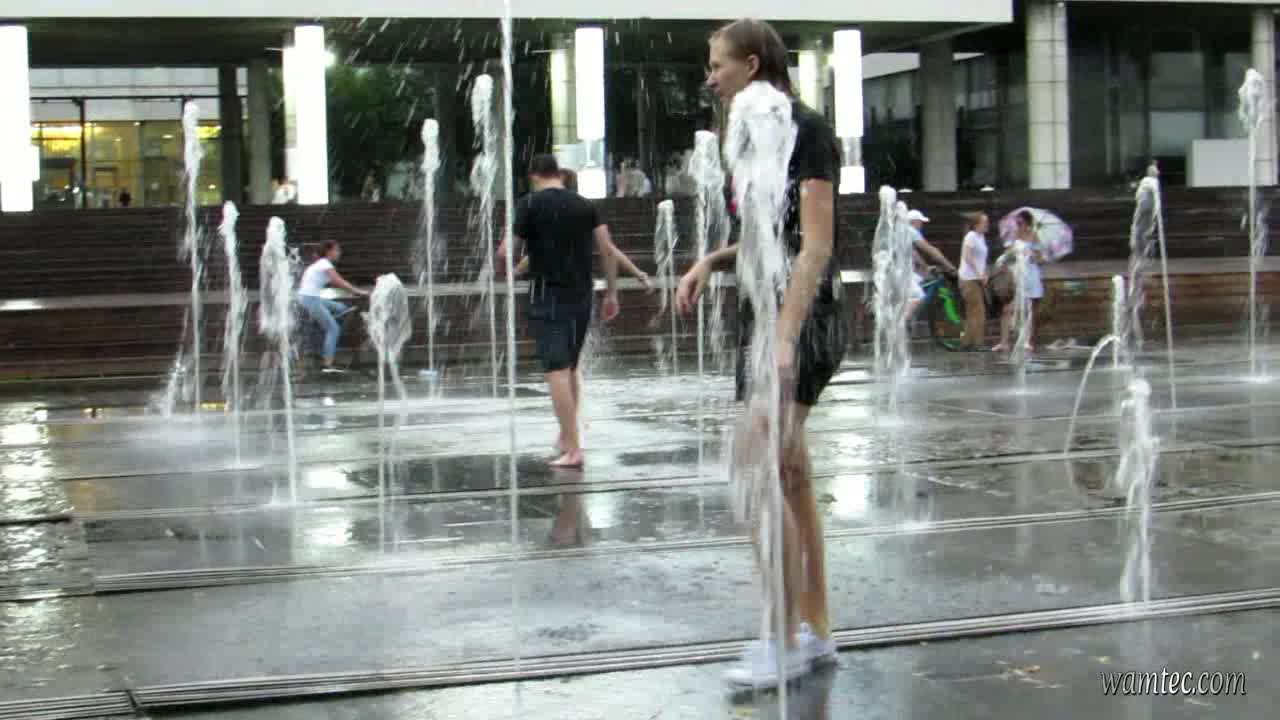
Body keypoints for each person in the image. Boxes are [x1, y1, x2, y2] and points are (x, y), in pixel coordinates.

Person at [675, 18, 846, 687]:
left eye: (717, 65)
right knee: (790, 474)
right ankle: (817, 631)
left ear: (751, 65)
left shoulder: (807, 130)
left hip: (805, 318)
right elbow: (766, 236)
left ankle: (782, 637)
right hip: (770, 319)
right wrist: (710, 261)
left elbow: (816, 245)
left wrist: (783, 335)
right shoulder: (751, 131)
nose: (709, 78)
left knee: (752, 467)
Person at [499, 154, 620, 468]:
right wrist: (611, 292)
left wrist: (508, 262)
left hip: (546, 295)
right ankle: (567, 437)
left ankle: (573, 448)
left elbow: (507, 250)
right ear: (558, 173)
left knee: (556, 370)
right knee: (570, 367)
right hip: (582, 295)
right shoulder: (585, 205)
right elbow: (607, 250)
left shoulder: (529, 204)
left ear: (534, 175)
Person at [298, 240, 368, 372]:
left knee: (342, 308)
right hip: (310, 299)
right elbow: (338, 281)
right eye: (337, 250)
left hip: (311, 297)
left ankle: (325, 335)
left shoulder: (320, 263)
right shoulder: (325, 264)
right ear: (329, 251)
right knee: (333, 329)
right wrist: (358, 291)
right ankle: (327, 364)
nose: (339, 253)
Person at [992, 209, 1046, 352]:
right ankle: (1004, 342)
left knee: (1028, 310)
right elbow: (1007, 255)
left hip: (1030, 276)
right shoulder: (1013, 235)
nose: (1018, 225)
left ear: (1028, 224)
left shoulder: (1034, 236)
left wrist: (1033, 256)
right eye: (1016, 223)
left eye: (1020, 223)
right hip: (1015, 276)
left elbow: (1041, 258)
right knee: (1007, 309)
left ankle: (1026, 341)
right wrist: (1006, 259)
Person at [903, 209, 957, 323]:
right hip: (902, 272)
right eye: (920, 222)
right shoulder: (911, 231)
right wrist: (950, 267)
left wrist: (926, 267)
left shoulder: (902, 233)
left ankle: (906, 319)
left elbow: (914, 254)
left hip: (902, 272)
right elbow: (931, 250)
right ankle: (901, 325)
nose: (921, 226)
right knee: (918, 296)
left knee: (920, 280)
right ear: (914, 222)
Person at [958, 212, 990, 350]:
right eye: (984, 222)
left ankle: (967, 342)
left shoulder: (981, 237)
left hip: (977, 278)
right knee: (978, 311)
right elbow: (967, 256)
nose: (987, 225)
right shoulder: (971, 236)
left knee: (973, 311)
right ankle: (977, 343)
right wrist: (978, 273)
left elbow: (982, 258)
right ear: (976, 225)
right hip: (969, 279)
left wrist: (984, 273)